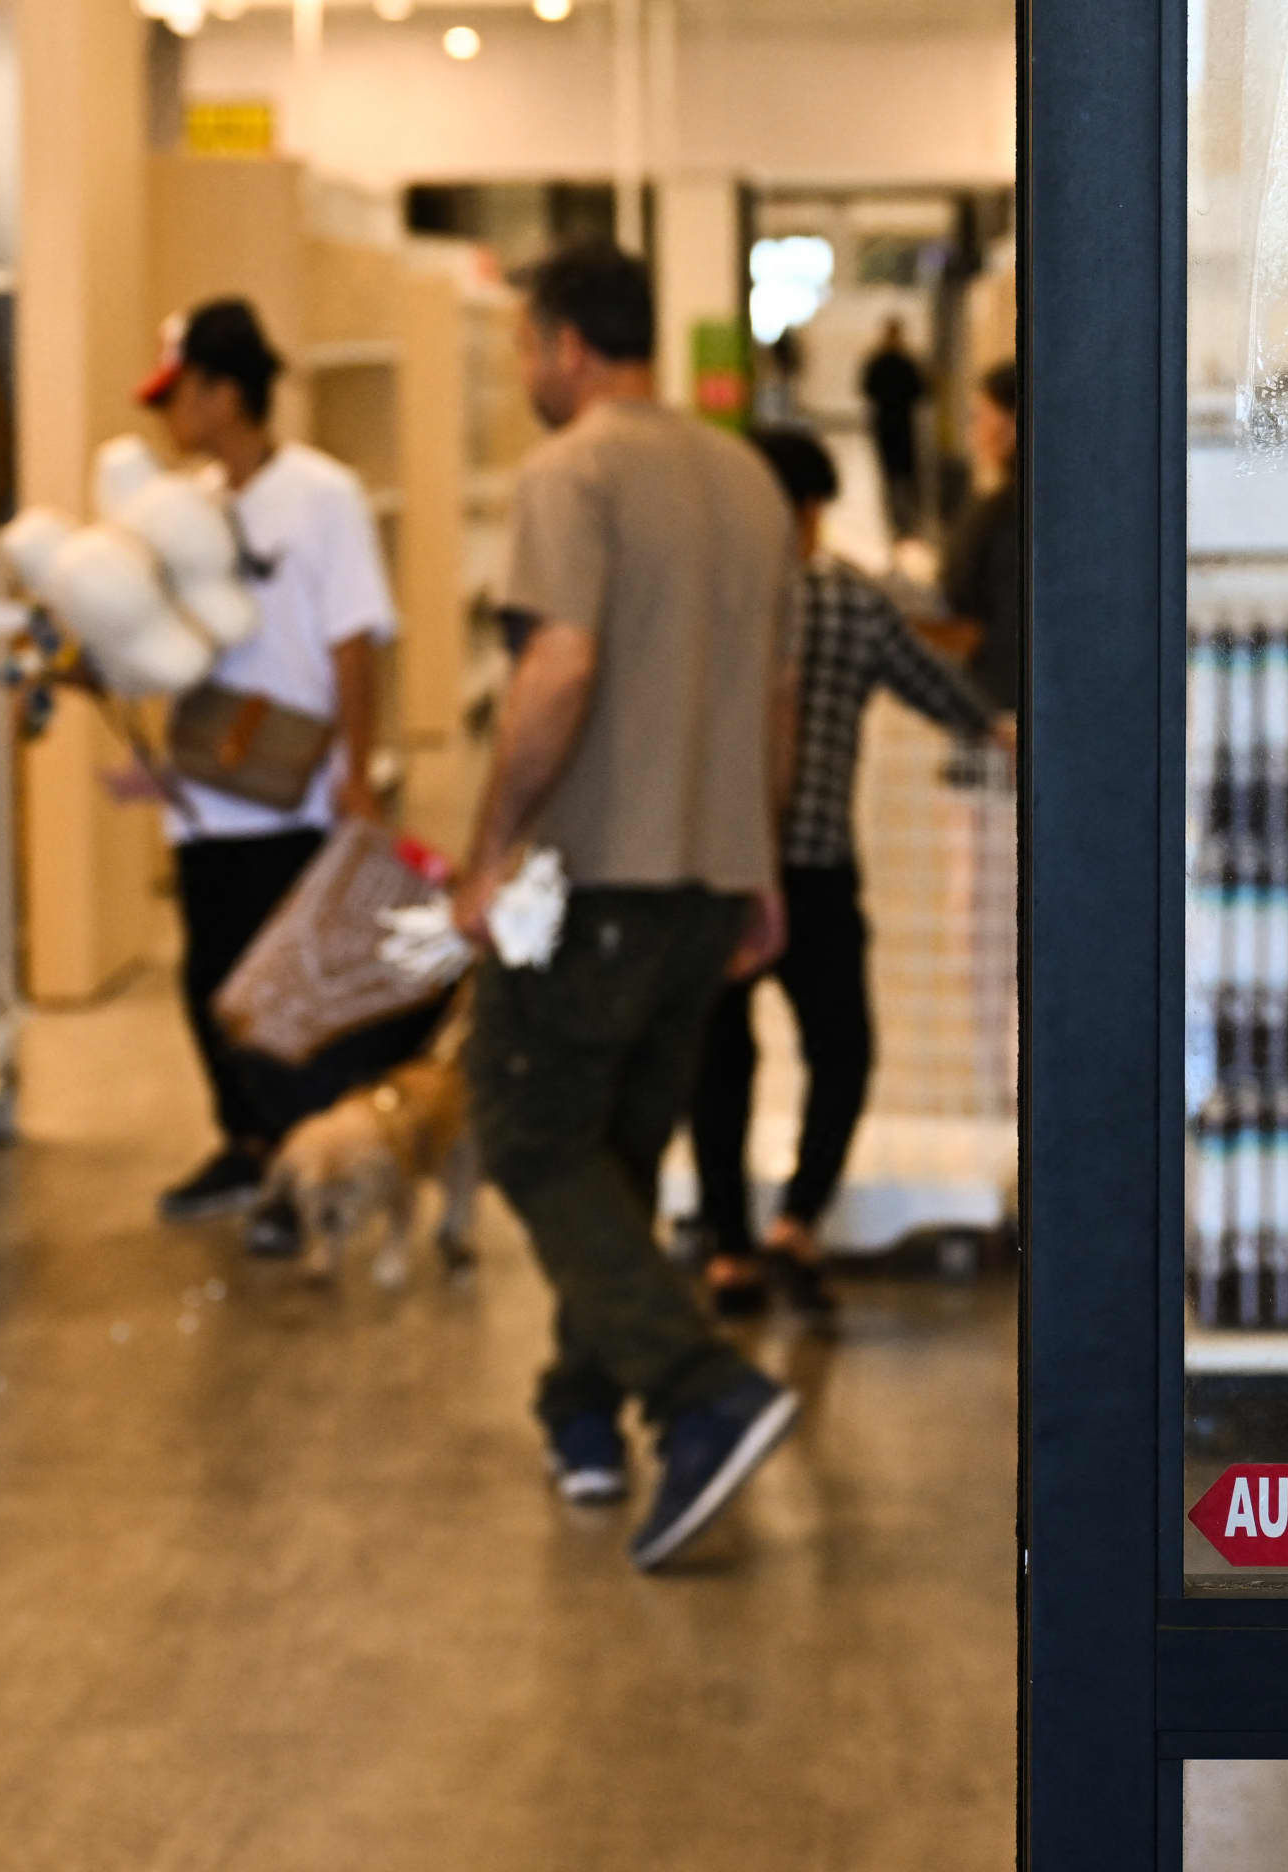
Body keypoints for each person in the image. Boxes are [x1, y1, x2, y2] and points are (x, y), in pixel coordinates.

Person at [454, 242, 805, 1572]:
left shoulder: (572, 470)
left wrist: (490, 849)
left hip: (596, 876)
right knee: (614, 1156)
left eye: (524, 344)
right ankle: (583, 1411)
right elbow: (773, 698)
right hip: (708, 883)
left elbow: (559, 664)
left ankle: (701, 1392)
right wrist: (758, 865)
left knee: (530, 1133)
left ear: (565, 346)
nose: (523, 368)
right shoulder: (749, 479)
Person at [693, 428, 1004, 1323]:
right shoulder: (847, 602)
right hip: (817, 867)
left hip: (717, 867)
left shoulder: (707, 598)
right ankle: (797, 1221)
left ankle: (727, 1251)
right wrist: (1002, 730)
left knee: (719, 1059)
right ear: (809, 510)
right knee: (843, 1051)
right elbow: (944, 694)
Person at [131, 299, 400, 1233]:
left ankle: (302, 1167)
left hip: (292, 793)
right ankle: (245, 1146)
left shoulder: (323, 496)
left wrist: (356, 771)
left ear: (225, 393)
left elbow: (355, 638)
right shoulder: (186, 507)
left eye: (180, 393)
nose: (169, 414)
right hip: (205, 796)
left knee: (284, 994)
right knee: (208, 982)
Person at [936, 356, 1023, 711]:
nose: (974, 432)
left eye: (980, 417)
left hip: (1000, 692)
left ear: (1013, 423)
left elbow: (962, 607)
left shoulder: (1000, 512)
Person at [860, 315, 929, 539]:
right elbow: (920, 391)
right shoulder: (906, 361)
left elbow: (867, 389)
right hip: (902, 421)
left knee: (889, 472)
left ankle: (895, 519)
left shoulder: (877, 361)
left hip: (884, 422)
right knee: (906, 471)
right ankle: (909, 518)